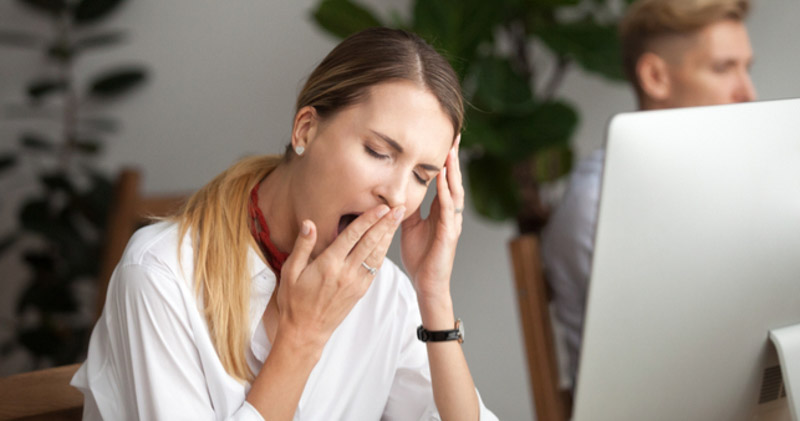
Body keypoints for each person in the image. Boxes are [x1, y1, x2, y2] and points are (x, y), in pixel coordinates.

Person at [71, 27, 498, 420]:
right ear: (306, 129)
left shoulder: (387, 294)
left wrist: (434, 295)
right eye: (378, 152)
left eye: (422, 175)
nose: (398, 195)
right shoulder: (159, 275)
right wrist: (302, 337)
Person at [541, 0, 756, 390]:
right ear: (656, 76)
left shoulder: (737, 185)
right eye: (724, 68)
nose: (748, 93)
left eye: (747, 68)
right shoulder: (600, 204)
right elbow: (677, 365)